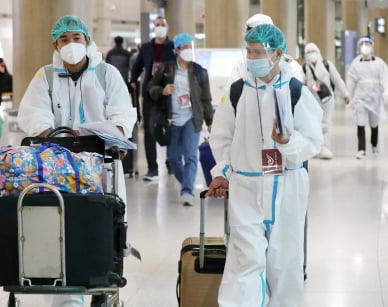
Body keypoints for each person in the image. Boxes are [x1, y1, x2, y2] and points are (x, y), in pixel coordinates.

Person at [17, 15, 136, 307]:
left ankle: (101, 283)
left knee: (103, 226)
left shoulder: (107, 74)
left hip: (102, 165)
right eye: (64, 40)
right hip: (60, 168)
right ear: (55, 45)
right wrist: (52, 136)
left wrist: (117, 134)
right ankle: (69, 296)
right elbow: (32, 112)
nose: (71, 45)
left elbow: (123, 112)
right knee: (63, 228)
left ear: (87, 40)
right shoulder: (45, 76)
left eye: (76, 38)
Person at [207, 24, 323, 306]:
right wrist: (222, 172)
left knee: (285, 263)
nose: (252, 57)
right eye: (249, 51)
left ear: (277, 53)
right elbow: (222, 137)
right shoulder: (237, 91)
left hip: (287, 185)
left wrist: (286, 142)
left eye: (258, 52)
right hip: (246, 186)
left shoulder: (296, 91)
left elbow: (313, 141)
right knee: (244, 260)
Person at [148, 33, 213, 206]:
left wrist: (210, 121)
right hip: (172, 120)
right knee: (173, 158)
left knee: (191, 156)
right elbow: (151, 87)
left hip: (192, 119)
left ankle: (187, 191)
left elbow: (206, 99)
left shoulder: (200, 72)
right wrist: (162, 90)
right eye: (185, 47)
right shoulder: (166, 68)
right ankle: (187, 182)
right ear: (176, 50)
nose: (189, 51)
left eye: (191, 47)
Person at [130, 17, 176, 181]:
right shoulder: (146, 47)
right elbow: (137, 66)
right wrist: (133, 80)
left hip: (169, 93)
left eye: (163, 25)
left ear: (167, 27)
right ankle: (152, 169)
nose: (160, 28)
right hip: (150, 93)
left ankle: (171, 164)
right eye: (157, 25)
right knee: (149, 131)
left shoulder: (172, 46)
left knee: (170, 128)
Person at [303, 42, 350, 159]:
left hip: (327, 98)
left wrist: (345, 94)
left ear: (318, 52)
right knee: (314, 124)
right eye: (308, 52)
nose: (311, 54)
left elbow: (337, 79)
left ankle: (325, 147)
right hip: (312, 100)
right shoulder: (304, 68)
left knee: (326, 122)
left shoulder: (327, 65)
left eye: (313, 51)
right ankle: (315, 147)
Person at [346, 37, 388, 159]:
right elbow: (351, 81)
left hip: (375, 97)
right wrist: (349, 94)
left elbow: (384, 78)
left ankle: (374, 145)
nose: (365, 46)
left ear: (372, 46)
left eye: (367, 44)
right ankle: (361, 149)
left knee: (374, 123)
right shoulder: (355, 63)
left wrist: (386, 91)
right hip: (360, 97)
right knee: (361, 123)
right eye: (363, 44)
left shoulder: (379, 63)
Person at [230, 14, 305, 82]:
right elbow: (231, 94)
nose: (254, 40)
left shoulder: (291, 68)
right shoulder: (241, 66)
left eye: (259, 51)